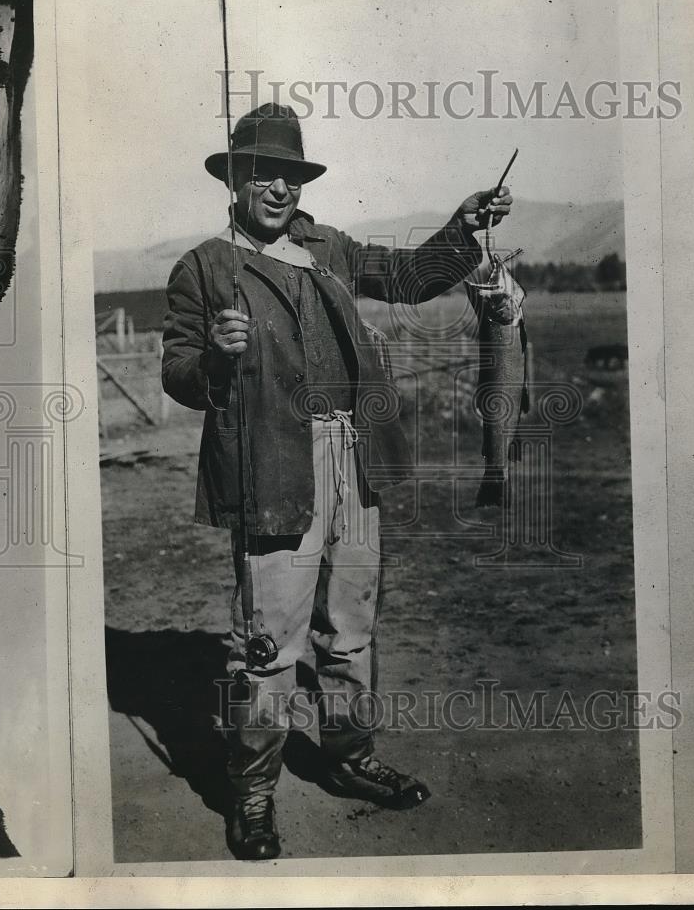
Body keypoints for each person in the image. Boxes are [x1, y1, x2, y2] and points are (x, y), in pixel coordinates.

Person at [161, 103, 512, 860]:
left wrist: (462, 227)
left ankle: (350, 759)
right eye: (263, 174)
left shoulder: (327, 247)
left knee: (350, 631)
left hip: (354, 457)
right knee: (266, 644)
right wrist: (217, 356)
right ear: (235, 181)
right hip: (269, 467)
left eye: (290, 174)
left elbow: (408, 277)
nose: (279, 188)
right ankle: (251, 793)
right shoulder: (203, 267)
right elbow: (180, 377)